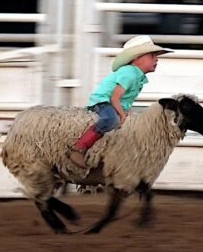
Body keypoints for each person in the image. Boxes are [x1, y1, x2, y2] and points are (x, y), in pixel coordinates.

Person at [68, 35, 172, 168]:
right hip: (102, 102)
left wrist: (126, 112)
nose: (156, 59)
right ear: (137, 58)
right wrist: (122, 115)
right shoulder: (129, 73)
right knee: (112, 120)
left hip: (113, 104)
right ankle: (78, 148)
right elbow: (115, 97)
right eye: (152, 55)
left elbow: (125, 100)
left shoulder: (138, 76)